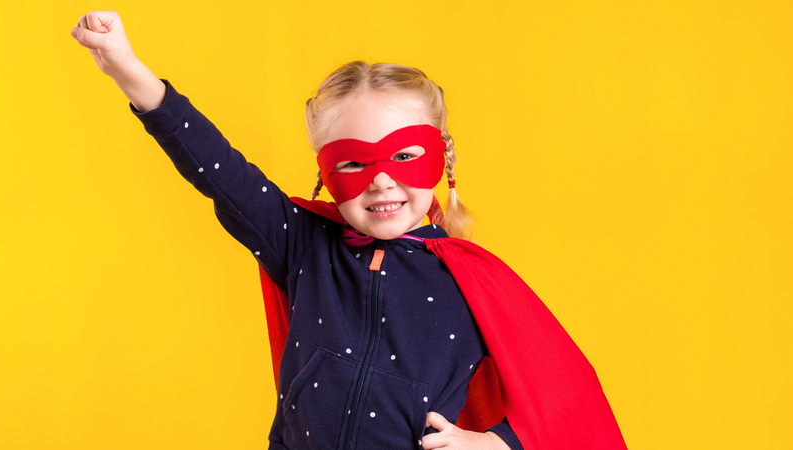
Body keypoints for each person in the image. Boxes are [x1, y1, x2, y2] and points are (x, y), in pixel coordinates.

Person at [71, 11, 626, 450]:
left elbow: (563, 391)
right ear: (324, 173)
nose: (381, 180)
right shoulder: (301, 244)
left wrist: (500, 442)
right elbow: (218, 169)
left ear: (443, 158)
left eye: (404, 156)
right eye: (354, 163)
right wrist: (127, 68)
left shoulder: (474, 282)